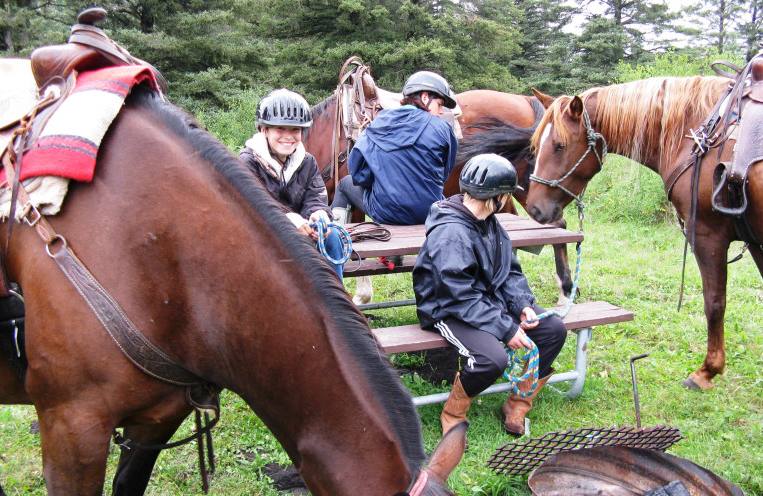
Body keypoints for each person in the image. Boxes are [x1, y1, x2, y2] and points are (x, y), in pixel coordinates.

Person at [412, 154, 567, 436]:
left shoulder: (488, 222)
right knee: (492, 358)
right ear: (494, 198)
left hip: (482, 301)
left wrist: (521, 305)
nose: (506, 200)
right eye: (505, 195)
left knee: (552, 329)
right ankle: (453, 412)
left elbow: (508, 271)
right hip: (447, 308)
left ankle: (518, 403)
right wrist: (505, 328)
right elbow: (457, 294)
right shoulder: (451, 233)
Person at [239, 88, 346, 281]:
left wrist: (318, 213)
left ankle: (336, 299)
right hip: (260, 235)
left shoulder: (307, 162)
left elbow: (315, 197)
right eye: (280, 128)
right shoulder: (248, 162)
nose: (288, 137)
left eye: (295, 129)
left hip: (300, 233)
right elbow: (252, 205)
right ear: (264, 130)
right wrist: (290, 219)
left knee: (332, 236)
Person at [330, 70, 459, 226]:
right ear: (425, 97)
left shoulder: (377, 123)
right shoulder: (443, 128)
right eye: (439, 104)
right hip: (429, 212)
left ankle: (336, 241)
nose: (441, 111)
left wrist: (384, 178)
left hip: (386, 213)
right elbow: (444, 174)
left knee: (345, 184)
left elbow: (358, 173)